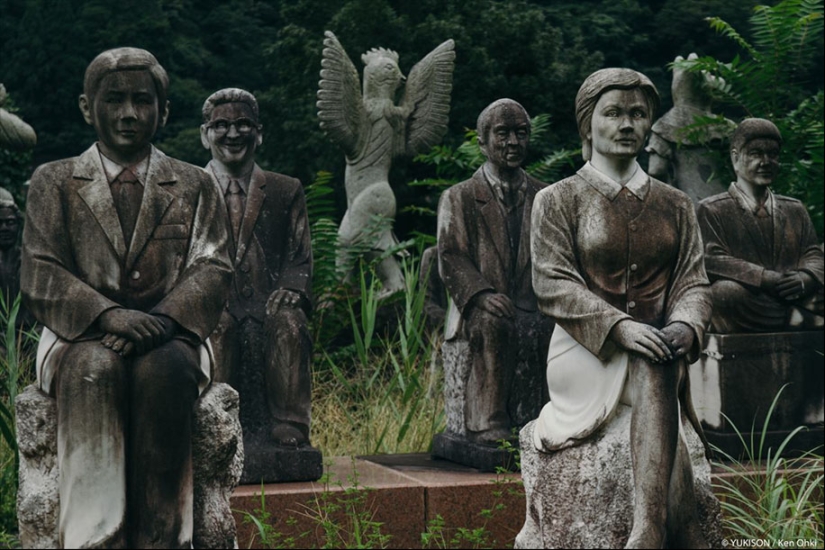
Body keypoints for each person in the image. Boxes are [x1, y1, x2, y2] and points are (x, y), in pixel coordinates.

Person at [20, 47, 232, 549]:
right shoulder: (53, 182)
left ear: (164, 109)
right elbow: (40, 271)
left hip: (171, 334)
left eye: (142, 100)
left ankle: (164, 537)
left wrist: (162, 320)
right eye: (114, 100)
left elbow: (213, 265)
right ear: (85, 106)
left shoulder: (196, 183)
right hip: (79, 336)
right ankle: (95, 539)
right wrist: (108, 315)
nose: (129, 113)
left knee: (165, 372)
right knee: (94, 370)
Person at [530, 68, 712, 548]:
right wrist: (620, 328)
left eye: (637, 113)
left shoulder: (676, 205)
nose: (626, 123)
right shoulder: (558, 199)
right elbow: (552, 283)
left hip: (660, 347)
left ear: (650, 122)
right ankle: (665, 528)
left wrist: (687, 326)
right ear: (588, 125)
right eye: (613, 113)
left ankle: (651, 529)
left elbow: (695, 282)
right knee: (653, 364)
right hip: (584, 351)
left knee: (657, 360)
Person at [201, 88, 314, 447]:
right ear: (205, 135)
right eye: (221, 125)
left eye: (243, 124)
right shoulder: (190, 189)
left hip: (268, 300)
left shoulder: (285, 189)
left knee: (290, 323)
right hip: (214, 302)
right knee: (215, 328)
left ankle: (290, 423)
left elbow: (300, 255)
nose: (233, 134)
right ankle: (214, 423)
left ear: (259, 133)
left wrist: (293, 289)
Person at [438, 99, 552, 445]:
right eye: (502, 134)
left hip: (535, 303)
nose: (513, 142)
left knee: (559, 326)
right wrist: (483, 295)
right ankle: (486, 422)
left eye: (521, 133)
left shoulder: (545, 195)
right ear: (482, 142)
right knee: (492, 324)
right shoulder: (460, 197)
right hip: (479, 306)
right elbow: (451, 257)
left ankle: (550, 419)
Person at [697, 118, 824, 332]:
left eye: (773, 155)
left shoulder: (794, 209)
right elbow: (711, 261)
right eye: (756, 154)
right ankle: (797, 317)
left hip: (794, 293)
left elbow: (812, 254)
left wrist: (806, 278)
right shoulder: (712, 209)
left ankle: (797, 316)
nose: (766, 162)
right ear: (735, 159)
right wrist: (763, 278)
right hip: (750, 297)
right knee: (723, 295)